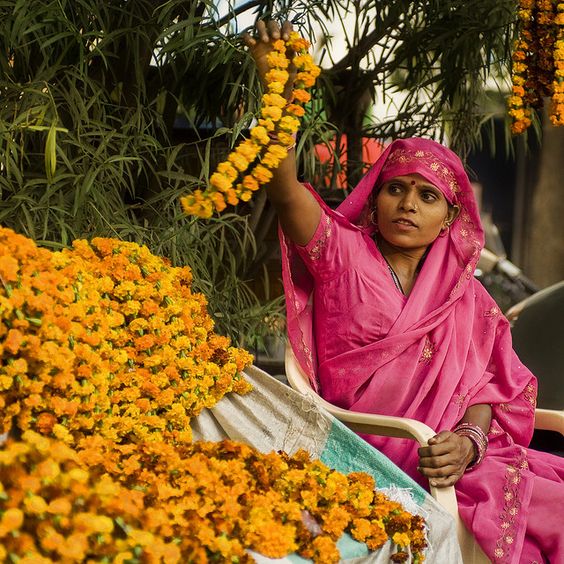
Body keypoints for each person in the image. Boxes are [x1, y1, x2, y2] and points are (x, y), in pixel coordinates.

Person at [243, 21, 564, 563]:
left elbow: (484, 390)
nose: (408, 204)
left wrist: (468, 443)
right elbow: (283, 185)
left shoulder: (469, 299)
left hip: (451, 459)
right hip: (363, 446)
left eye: (427, 195)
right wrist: (275, 83)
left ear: (449, 219)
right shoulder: (340, 252)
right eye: (396, 188)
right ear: (374, 200)